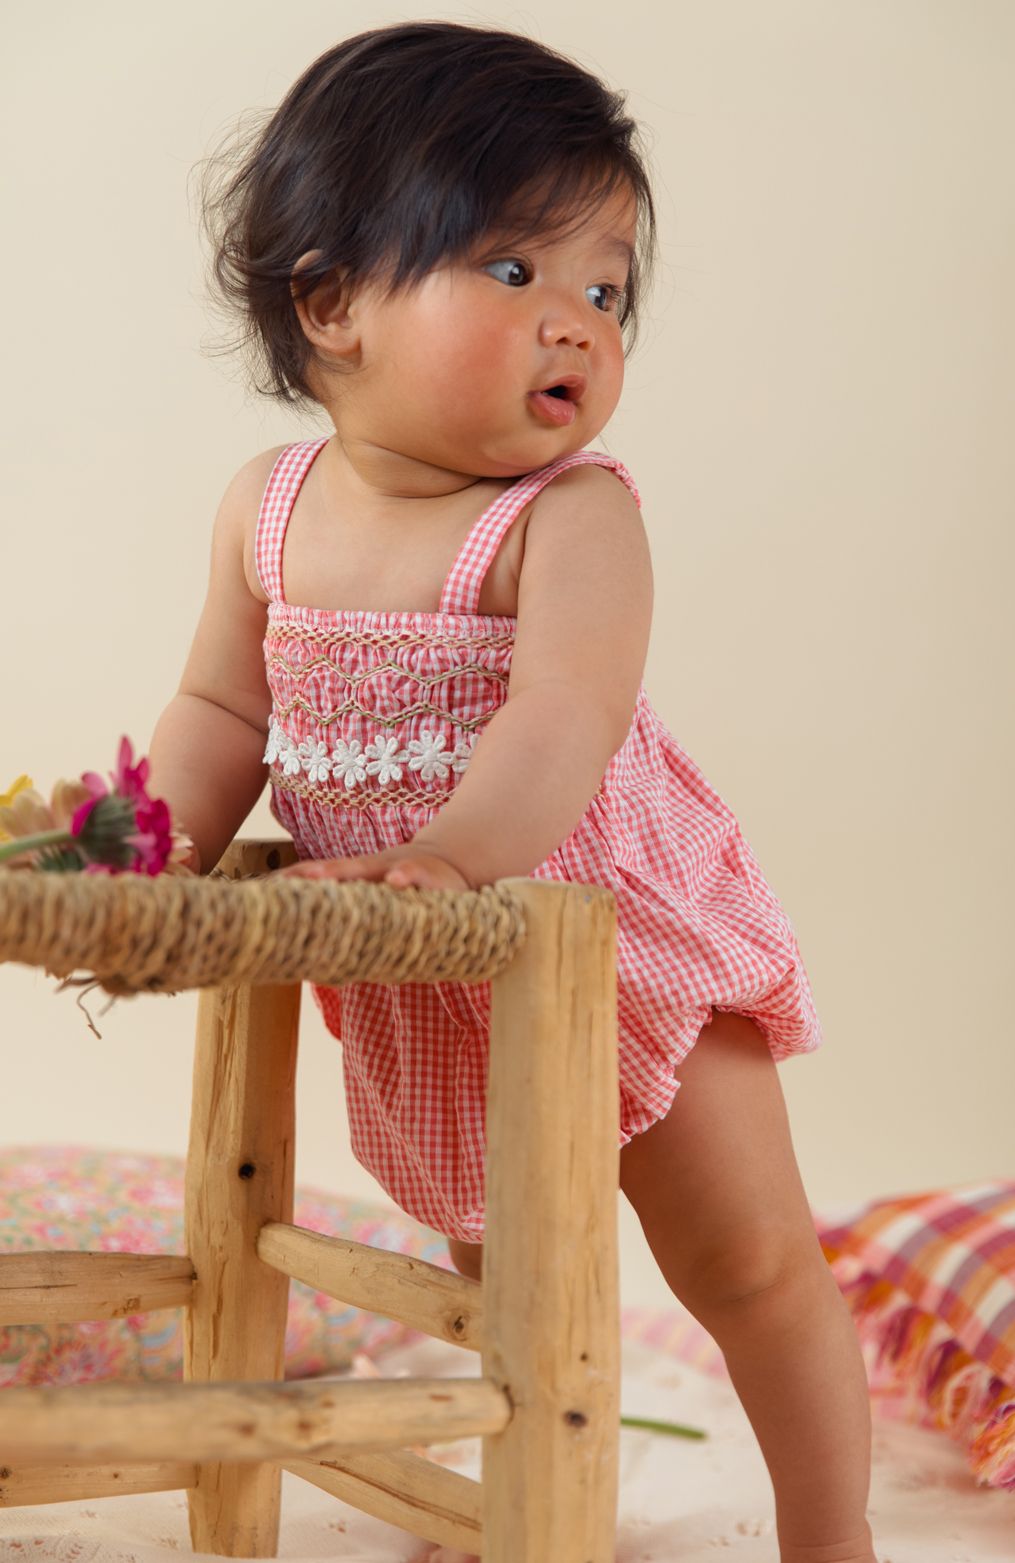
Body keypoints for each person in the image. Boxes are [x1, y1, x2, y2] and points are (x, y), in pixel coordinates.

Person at [147, 22, 877, 1561]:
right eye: (512, 273)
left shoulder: (575, 516)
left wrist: (458, 856)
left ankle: (832, 1533)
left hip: (605, 938)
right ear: (333, 301)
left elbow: (566, 713)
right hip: (438, 967)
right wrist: (156, 843)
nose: (577, 326)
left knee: (744, 1261)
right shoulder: (266, 513)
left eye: (605, 290)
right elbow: (223, 705)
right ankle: (523, 1505)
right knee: (509, 1277)